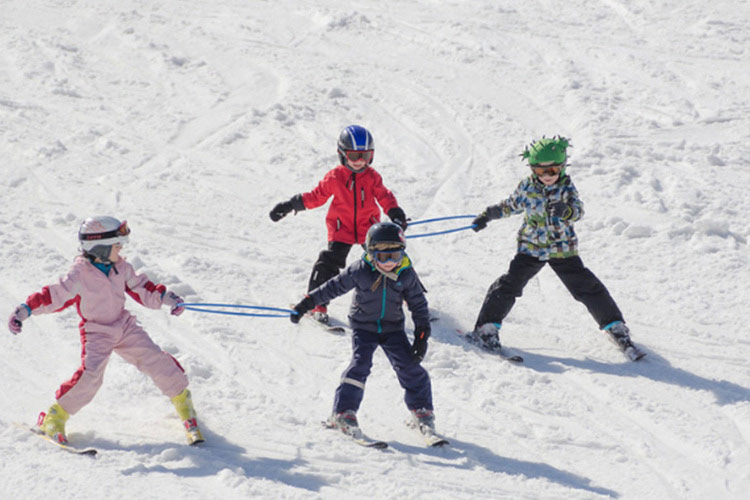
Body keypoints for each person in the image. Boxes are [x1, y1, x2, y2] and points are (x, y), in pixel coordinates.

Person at [7, 216, 205, 445]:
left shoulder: (121, 267)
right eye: (116, 245)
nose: (121, 250)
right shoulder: (80, 274)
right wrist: (26, 309)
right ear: (99, 248)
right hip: (97, 331)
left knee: (156, 360)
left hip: (124, 325)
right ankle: (54, 417)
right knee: (90, 377)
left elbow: (142, 288)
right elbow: (54, 295)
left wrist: (167, 298)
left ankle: (184, 405)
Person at [470, 136, 643, 359]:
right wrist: (487, 215)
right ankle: (486, 329)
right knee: (509, 286)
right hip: (531, 247)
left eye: (552, 170)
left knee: (588, 288)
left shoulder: (566, 188)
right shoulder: (527, 187)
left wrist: (567, 211)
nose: (547, 176)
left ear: (561, 168)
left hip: (563, 249)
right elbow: (510, 205)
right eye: (540, 171)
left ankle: (615, 326)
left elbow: (578, 211)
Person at [290, 222, 437, 437]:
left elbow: (418, 304)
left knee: (410, 367)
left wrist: (422, 335)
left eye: (394, 256)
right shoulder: (360, 270)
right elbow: (332, 287)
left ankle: (422, 411)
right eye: (383, 257)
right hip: (364, 327)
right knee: (360, 365)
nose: (389, 263)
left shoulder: (406, 274)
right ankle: (343, 412)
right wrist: (307, 303)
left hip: (393, 329)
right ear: (370, 253)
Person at [269, 125, 408, 324]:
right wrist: (290, 205)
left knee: (389, 257)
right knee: (328, 262)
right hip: (341, 229)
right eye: (354, 156)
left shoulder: (372, 177)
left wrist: (396, 214)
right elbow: (316, 197)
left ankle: (410, 296)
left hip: (367, 229)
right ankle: (316, 302)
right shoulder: (335, 177)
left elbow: (384, 196)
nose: (360, 162)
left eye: (366, 156)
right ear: (342, 154)